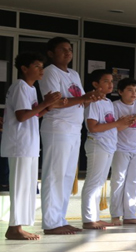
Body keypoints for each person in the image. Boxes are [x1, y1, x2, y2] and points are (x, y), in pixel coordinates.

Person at [39, 37, 103, 235]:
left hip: (74, 129)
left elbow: (79, 100)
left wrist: (91, 98)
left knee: (67, 176)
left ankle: (60, 219)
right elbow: (53, 103)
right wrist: (83, 98)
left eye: (70, 49)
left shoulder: (74, 74)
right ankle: (50, 223)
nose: (68, 53)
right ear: (51, 53)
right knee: (54, 175)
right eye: (62, 49)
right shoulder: (50, 72)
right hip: (58, 128)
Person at [2, 52, 63, 240]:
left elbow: (32, 115)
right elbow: (21, 116)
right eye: (37, 66)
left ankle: (19, 226)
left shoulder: (30, 88)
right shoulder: (20, 86)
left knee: (27, 186)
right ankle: (14, 228)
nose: (41, 70)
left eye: (41, 66)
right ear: (24, 68)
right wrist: (45, 103)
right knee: (20, 186)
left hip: (28, 143)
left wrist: (48, 107)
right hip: (19, 144)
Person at [81, 70, 134, 230]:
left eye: (112, 81)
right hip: (98, 144)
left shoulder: (108, 102)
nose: (111, 84)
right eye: (106, 81)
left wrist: (128, 121)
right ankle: (88, 219)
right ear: (96, 84)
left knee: (99, 183)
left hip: (108, 145)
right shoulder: (93, 102)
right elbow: (93, 127)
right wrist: (118, 123)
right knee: (93, 181)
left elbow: (112, 126)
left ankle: (94, 217)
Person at [110, 78, 136, 226]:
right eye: (129, 90)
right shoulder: (115, 106)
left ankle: (130, 215)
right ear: (120, 92)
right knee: (118, 180)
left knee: (133, 181)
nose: (134, 93)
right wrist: (133, 118)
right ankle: (115, 215)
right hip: (120, 148)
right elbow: (116, 128)